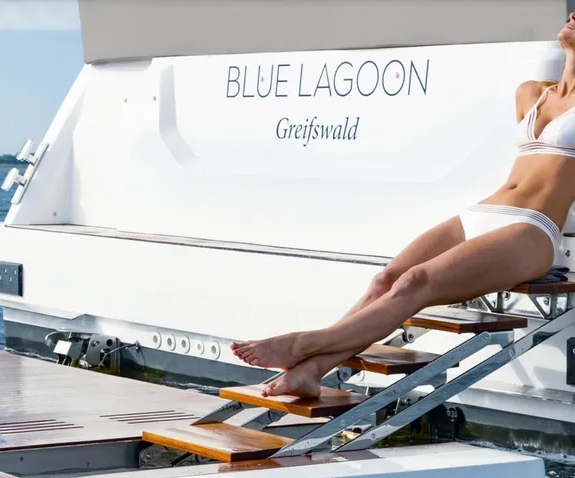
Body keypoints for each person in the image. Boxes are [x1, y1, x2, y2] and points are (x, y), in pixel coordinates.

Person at [231, 13, 575, 398]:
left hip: (531, 229)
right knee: (384, 280)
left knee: (415, 283)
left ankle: (303, 345)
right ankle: (310, 371)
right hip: (483, 213)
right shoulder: (531, 92)